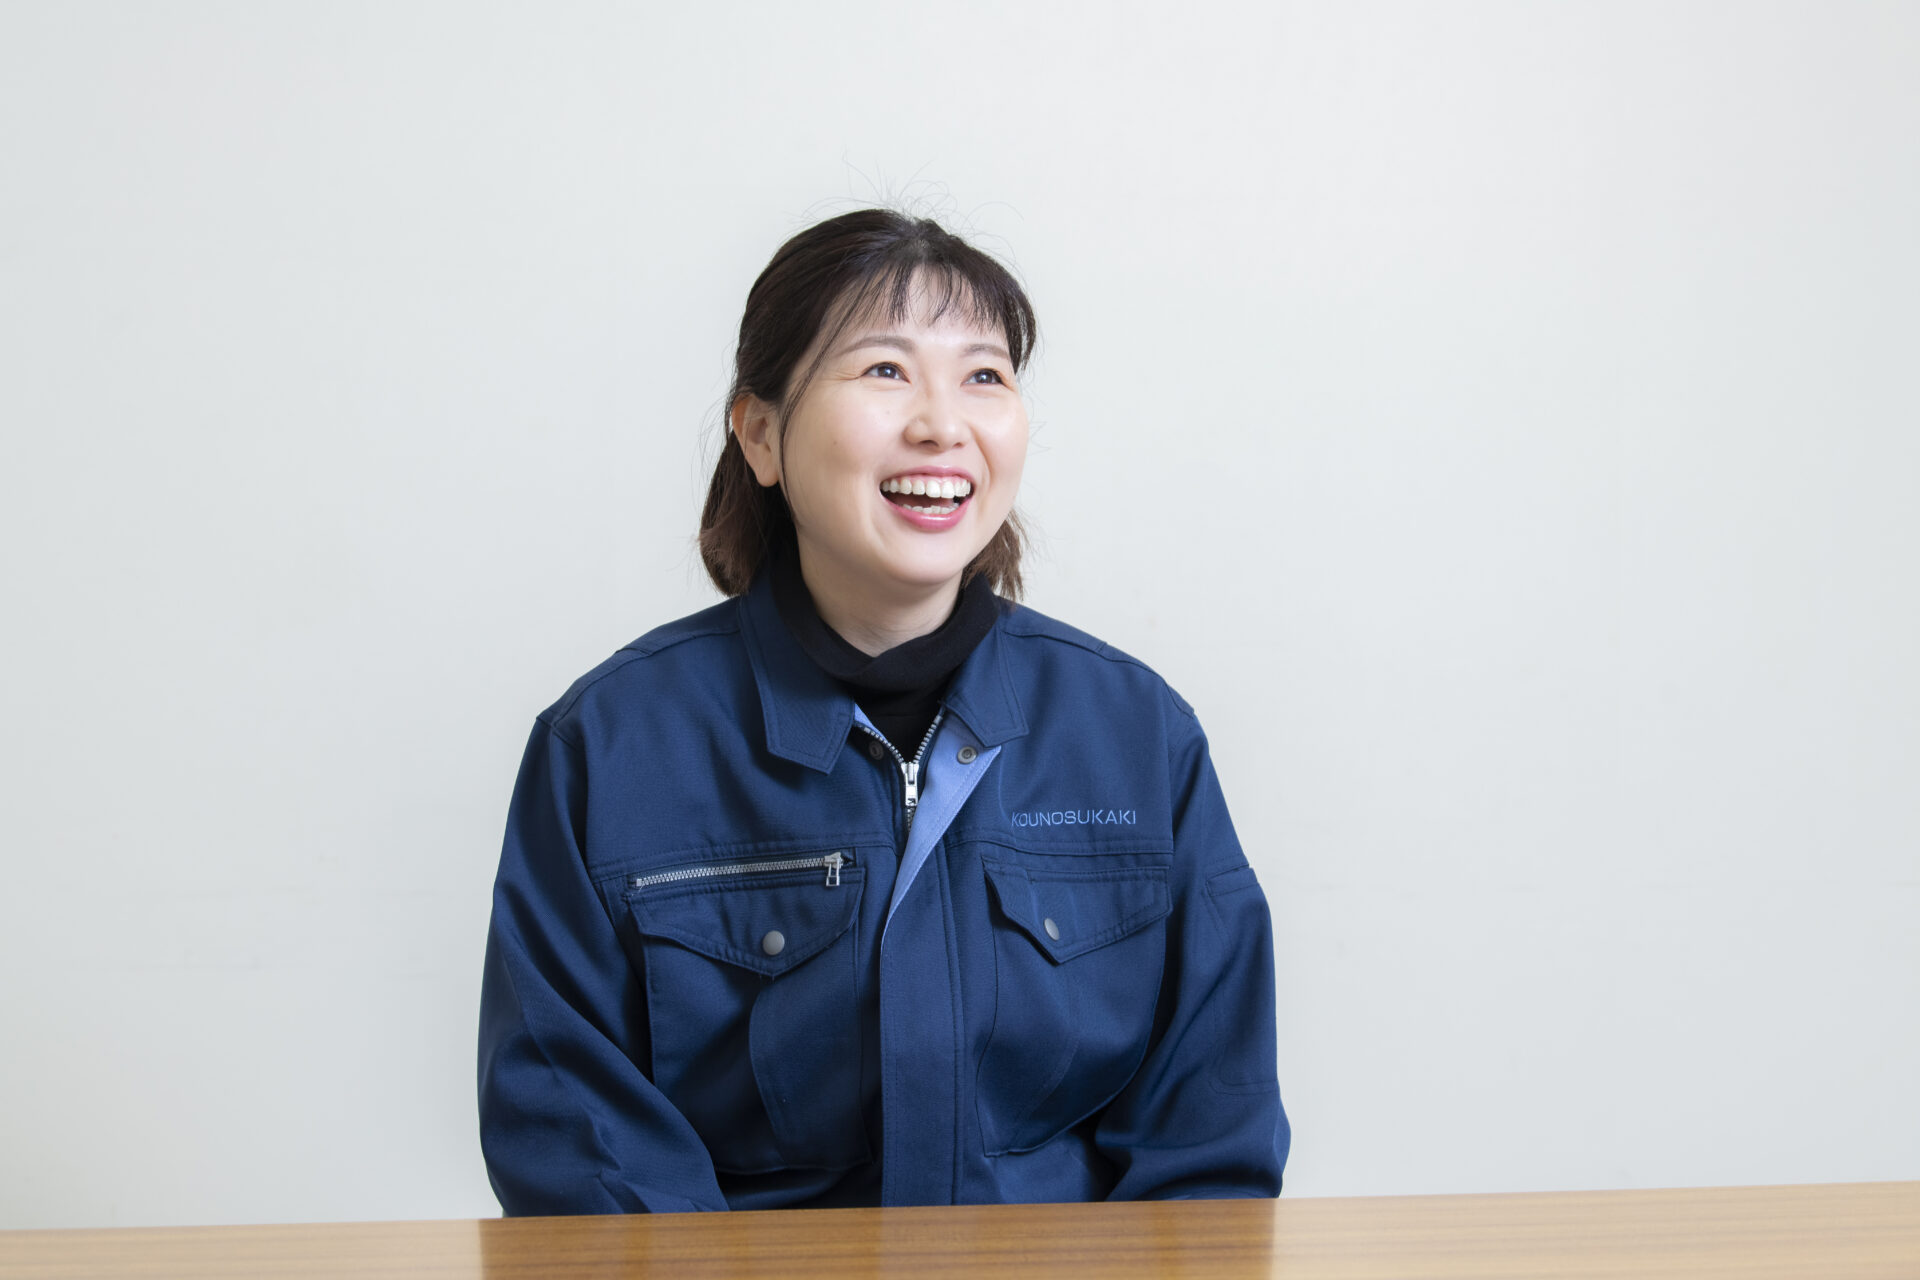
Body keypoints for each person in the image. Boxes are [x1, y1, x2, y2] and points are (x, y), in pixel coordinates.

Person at [477, 208, 1288, 1213]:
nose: (943, 423)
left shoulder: (1136, 735)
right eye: (886, 369)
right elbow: (580, 1144)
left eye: (984, 375)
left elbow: (1209, 1139)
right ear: (761, 434)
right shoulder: (608, 749)